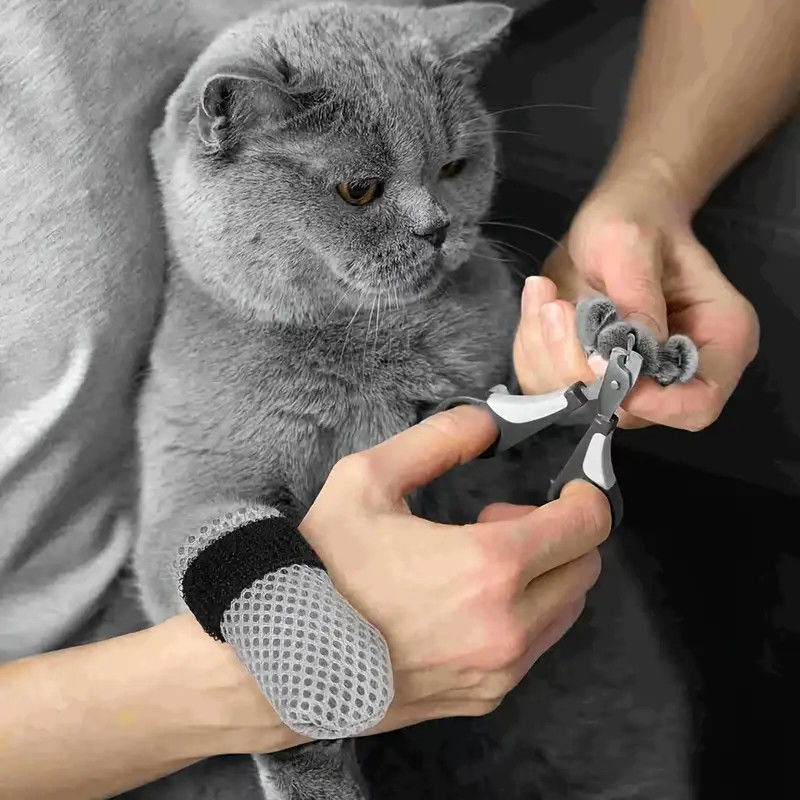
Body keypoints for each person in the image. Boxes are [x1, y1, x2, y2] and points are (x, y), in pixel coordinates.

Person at [0, 0, 795, 797]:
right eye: (359, 189)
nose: (433, 222)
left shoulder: (473, 283)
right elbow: (193, 516)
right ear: (225, 137)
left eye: (451, 168)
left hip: (574, 716)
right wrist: (287, 655)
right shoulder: (215, 357)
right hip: (152, 733)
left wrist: (643, 211)